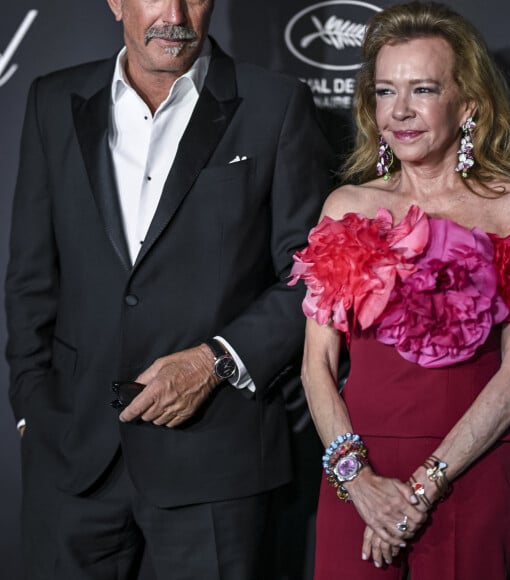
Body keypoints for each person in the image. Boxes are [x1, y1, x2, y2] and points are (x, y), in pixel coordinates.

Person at [5, 0, 333, 578]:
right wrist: (32, 411)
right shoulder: (52, 100)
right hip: (72, 458)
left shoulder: (276, 105)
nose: (175, 13)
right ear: (115, 3)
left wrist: (215, 362)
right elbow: (32, 274)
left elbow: (310, 275)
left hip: (216, 460)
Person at [290, 2, 510, 579]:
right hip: (358, 470)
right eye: (386, 91)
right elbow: (316, 366)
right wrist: (358, 482)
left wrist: (423, 487)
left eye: (424, 89)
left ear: (469, 105)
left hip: (471, 466)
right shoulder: (347, 206)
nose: (401, 112)